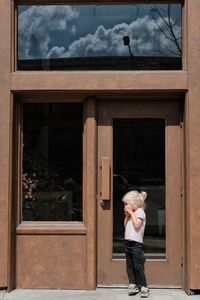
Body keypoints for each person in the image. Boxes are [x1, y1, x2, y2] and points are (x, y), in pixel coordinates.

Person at [122, 190, 149, 298]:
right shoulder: (131, 213)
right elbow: (125, 225)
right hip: (127, 242)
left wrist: (132, 213)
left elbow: (137, 225)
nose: (125, 206)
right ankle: (132, 284)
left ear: (134, 203)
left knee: (138, 265)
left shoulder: (140, 212)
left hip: (136, 244)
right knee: (130, 264)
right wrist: (127, 216)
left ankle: (144, 286)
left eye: (126, 204)